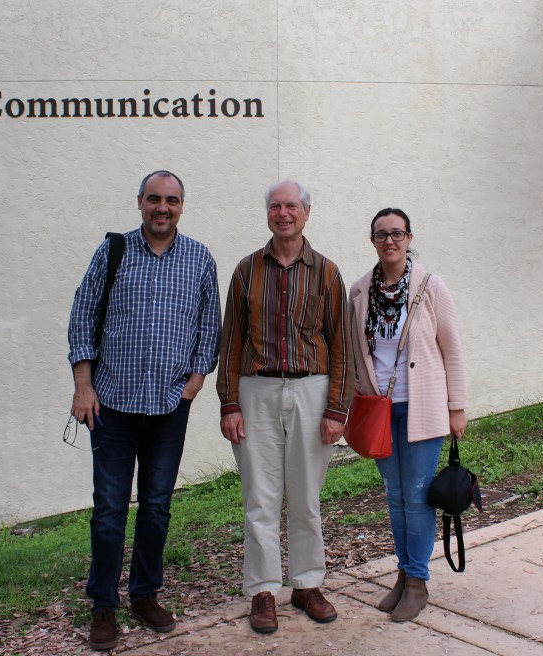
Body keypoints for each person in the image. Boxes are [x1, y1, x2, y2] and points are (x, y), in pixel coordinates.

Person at [68, 170, 221, 651]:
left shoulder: (199, 258)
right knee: (110, 510)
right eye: (154, 199)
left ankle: (144, 594)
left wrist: (195, 382)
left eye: (171, 200)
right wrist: (82, 386)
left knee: (157, 507)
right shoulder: (113, 252)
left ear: (182, 206)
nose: (162, 207)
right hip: (111, 405)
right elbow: (82, 317)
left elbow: (208, 326)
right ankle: (103, 607)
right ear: (139, 202)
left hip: (169, 408)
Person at [216, 179, 353, 634]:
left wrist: (336, 409)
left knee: (306, 497)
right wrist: (229, 403)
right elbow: (231, 341)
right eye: (275, 206)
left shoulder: (327, 272)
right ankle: (263, 591)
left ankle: (307, 584)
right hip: (256, 392)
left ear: (307, 212)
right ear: (268, 214)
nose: (283, 213)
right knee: (260, 497)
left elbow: (341, 347)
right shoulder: (246, 270)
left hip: (311, 392)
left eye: (291, 205)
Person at [346, 207, 468, 622]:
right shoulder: (360, 292)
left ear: (410, 237)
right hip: (381, 411)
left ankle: (417, 582)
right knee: (395, 496)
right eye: (381, 235)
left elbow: (452, 349)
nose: (389, 241)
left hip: (423, 408)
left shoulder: (431, 286)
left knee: (417, 495)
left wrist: (458, 408)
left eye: (397, 233)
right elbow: (356, 354)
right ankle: (404, 572)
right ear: (372, 241)